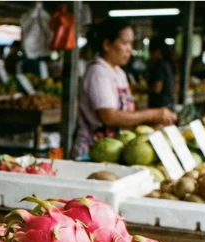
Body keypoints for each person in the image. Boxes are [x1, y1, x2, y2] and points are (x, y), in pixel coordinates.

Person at [70, 18, 176, 159]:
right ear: (107, 44)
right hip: (94, 152)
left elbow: (125, 113)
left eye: (131, 43)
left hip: (116, 149)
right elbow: (109, 117)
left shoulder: (119, 72)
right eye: (125, 43)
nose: (129, 49)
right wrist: (152, 114)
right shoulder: (98, 72)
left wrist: (151, 122)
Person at [148, 40, 175, 109]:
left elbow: (157, 88)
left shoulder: (159, 65)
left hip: (160, 106)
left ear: (157, 51)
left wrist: (139, 89)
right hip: (168, 103)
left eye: (151, 52)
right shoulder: (167, 64)